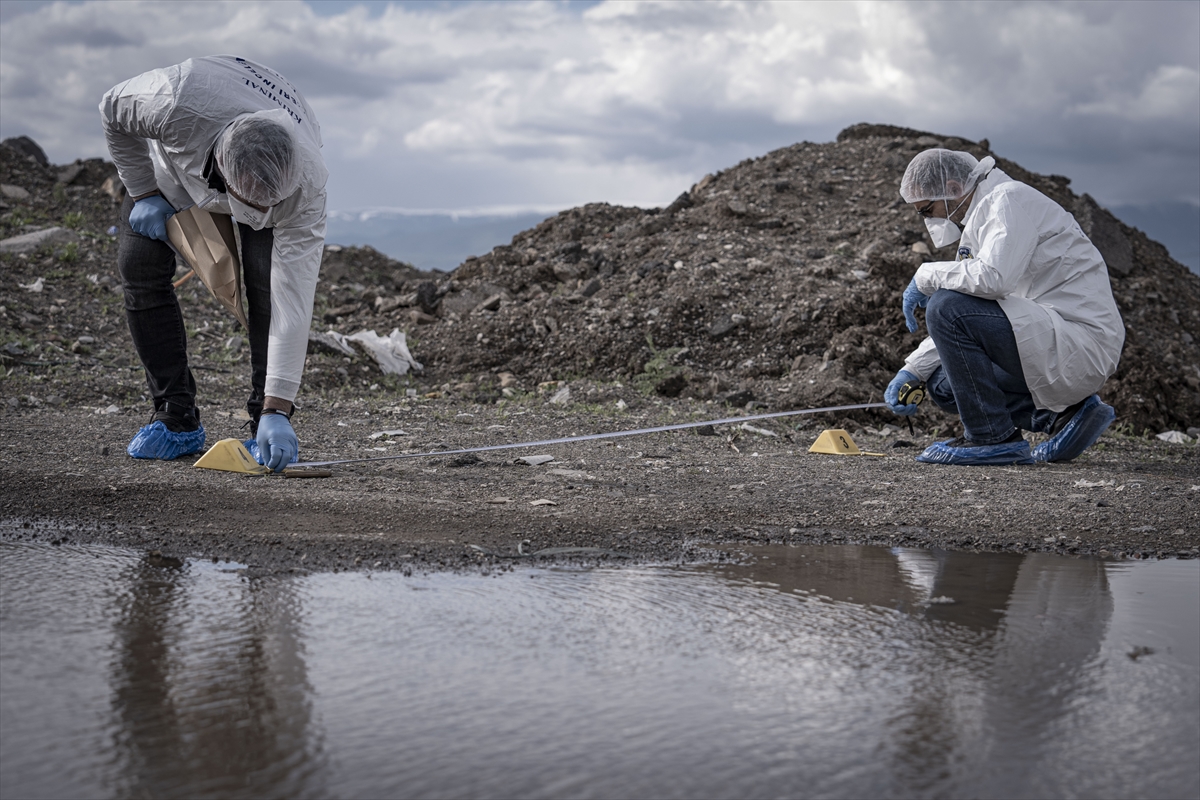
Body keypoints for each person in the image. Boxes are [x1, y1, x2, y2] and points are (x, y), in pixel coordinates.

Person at [100, 56, 328, 472]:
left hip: (265, 164)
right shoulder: (172, 102)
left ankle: (263, 417)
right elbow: (112, 108)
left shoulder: (304, 185)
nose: (255, 217)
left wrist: (279, 406)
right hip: (171, 170)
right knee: (139, 266)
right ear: (222, 174)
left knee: (265, 286)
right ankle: (176, 416)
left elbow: (292, 298)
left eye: (266, 207)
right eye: (249, 205)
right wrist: (143, 189)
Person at [884, 149, 1124, 465]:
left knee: (944, 305)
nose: (930, 220)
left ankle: (990, 438)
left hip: (1079, 342)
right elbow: (971, 310)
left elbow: (992, 281)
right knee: (942, 384)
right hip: (1051, 336)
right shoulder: (983, 217)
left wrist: (925, 274)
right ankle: (1065, 417)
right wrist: (912, 370)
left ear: (954, 188)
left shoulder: (1008, 201)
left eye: (928, 209)